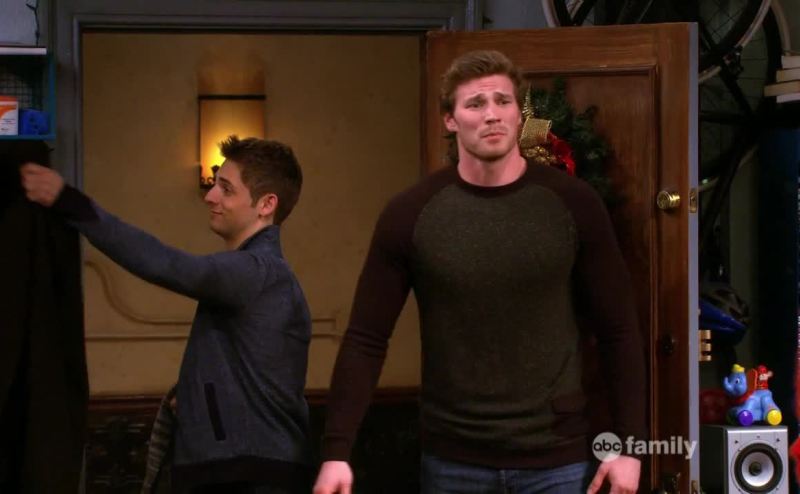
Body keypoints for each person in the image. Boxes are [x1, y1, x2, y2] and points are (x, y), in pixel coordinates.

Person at [313, 50, 646, 494]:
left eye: (502, 101)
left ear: (518, 113)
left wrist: (631, 447)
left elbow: (618, 330)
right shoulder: (411, 214)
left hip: (555, 459)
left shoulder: (573, 203)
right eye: (475, 104)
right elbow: (366, 339)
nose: (492, 114)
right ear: (450, 120)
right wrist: (336, 451)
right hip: (454, 460)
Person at [21, 136, 313, 494]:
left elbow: (167, 264)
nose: (210, 196)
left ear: (266, 204)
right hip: (241, 469)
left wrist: (69, 202)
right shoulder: (258, 275)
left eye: (226, 188)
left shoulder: (259, 271)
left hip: (247, 475)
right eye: (215, 184)